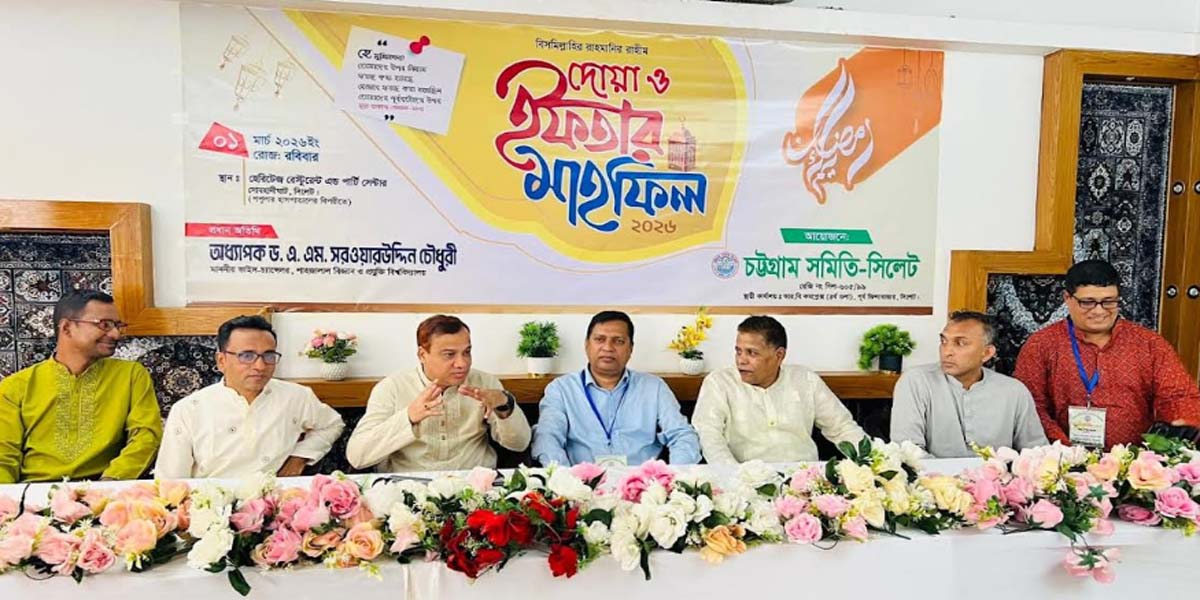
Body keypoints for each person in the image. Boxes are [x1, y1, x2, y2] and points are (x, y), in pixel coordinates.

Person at [1014, 259, 1200, 448]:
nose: (1099, 311)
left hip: (1136, 459)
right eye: (1088, 302)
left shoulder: (1149, 344)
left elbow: (1178, 396)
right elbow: (1031, 407)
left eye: (1109, 302)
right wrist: (1066, 450)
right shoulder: (1041, 345)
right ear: (1067, 298)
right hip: (1060, 457)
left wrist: (1181, 421)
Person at [0, 290, 162, 482]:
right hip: (34, 492)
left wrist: (108, 485)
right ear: (67, 327)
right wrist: (9, 499)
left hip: (107, 489)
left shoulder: (131, 375)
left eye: (118, 325)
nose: (116, 334)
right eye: (104, 325)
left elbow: (146, 437)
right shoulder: (16, 387)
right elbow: (4, 455)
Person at [154, 315, 344, 478]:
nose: (260, 366)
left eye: (268, 356)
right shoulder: (189, 409)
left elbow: (332, 425)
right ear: (221, 361)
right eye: (247, 356)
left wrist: (299, 458)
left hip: (274, 498)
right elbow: (171, 481)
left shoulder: (296, 397)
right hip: (212, 501)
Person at [346, 315, 531, 472]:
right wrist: (409, 417)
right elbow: (357, 456)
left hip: (475, 486)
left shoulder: (485, 383)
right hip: (408, 488)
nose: (462, 363)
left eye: (466, 352)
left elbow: (520, 444)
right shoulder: (392, 388)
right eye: (449, 354)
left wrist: (505, 404)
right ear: (422, 355)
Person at [532, 310, 700, 467]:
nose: (608, 348)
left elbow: (682, 435)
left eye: (618, 341)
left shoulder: (654, 388)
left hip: (643, 483)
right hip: (582, 483)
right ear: (586, 345)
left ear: (630, 349)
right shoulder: (561, 389)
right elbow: (547, 439)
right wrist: (566, 480)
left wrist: (673, 478)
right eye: (600, 339)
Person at [693, 315, 865, 464]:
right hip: (745, 479)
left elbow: (842, 427)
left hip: (803, 478)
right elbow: (710, 438)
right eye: (738, 351)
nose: (741, 360)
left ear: (779, 355)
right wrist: (734, 477)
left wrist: (873, 463)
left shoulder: (805, 379)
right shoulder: (720, 382)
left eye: (752, 353)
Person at [890, 311, 1046, 457]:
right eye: (944, 341)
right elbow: (908, 451)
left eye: (960, 343)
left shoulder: (1013, 391)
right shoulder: (916, 381)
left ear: (987, 353)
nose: (947, 351)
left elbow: (1036, 453)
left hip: (999, 476)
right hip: (933, 476)